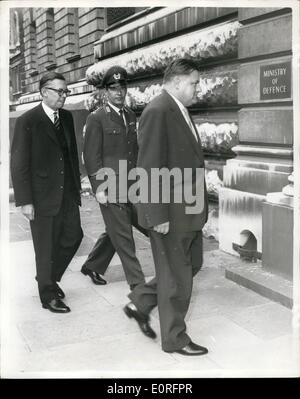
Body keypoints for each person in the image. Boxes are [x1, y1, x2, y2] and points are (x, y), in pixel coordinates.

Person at [124, 59, 209, 355]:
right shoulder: (158, 110)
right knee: (177, 276)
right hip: (169, 212)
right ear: (175, 82)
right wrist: (157, 214)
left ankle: (142, 302)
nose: (198, 88)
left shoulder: (178, 109)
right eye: (194, 82)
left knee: (191, 264)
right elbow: (148, 166)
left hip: (186, 209)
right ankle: (175, 339)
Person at [10, 72, 83, 313]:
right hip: (41, 197)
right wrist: (25, 201)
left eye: (66, 91)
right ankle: (48, 295)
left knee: (74, 236)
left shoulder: (68, 117)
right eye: (59, 91)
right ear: (43, 92)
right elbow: (19, 163)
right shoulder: (27, 121)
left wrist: (77, 185)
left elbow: (71, 154)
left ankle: (47, 278)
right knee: (45, 247)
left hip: (68, 193)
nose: (64, 96)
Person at [82, 65, 147, 291]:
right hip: (110, 186)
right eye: (113, 88)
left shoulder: (129, 115)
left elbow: (133, 151)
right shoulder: (97, 118)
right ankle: (138, 284)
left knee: (116, 229)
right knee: (124, 236)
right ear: (105, 92)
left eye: (122, 87)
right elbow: (91, 157)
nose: (119, 92)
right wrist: (99, 188)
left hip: (130, 185)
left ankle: (92, 264)